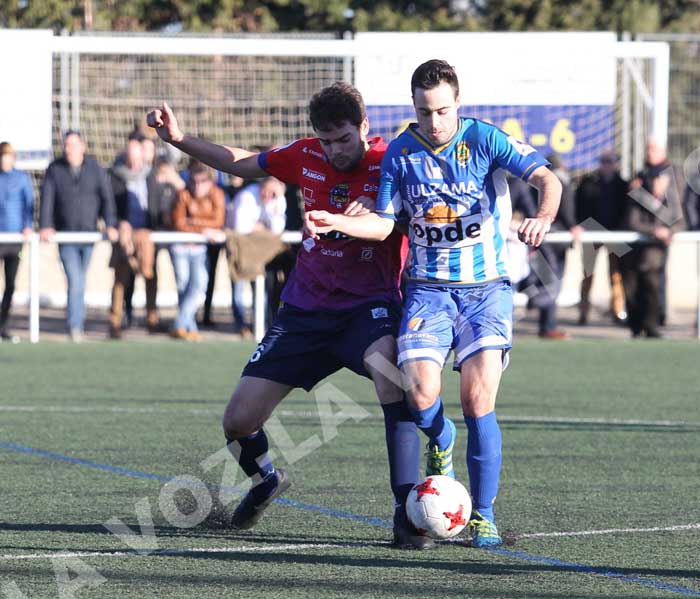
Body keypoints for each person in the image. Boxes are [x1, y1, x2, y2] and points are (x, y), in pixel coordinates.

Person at [147, 82, 430, 550]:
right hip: (304, 310)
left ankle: (407, 511)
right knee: (238, 420)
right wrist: (179, 140)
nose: (335, 150)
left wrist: (359, 215)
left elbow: (401, 220)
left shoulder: (392, 161)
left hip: (368, 307)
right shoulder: (305, 155)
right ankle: (265, 480)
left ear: (364, 127)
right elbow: (242, 161)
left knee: (391, 375)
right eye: (326, 141)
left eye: (344, 139)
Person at [306, 60, 561, 548]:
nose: (434, 121)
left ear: (457, 102)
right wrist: (338, 221)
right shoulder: (400, 154)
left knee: (477, 398)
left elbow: (548, 180)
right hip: (428, 290)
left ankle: (483, 515)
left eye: (443, 111)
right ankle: (441, 438)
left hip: (486, 290)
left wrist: (544, 217)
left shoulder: (485, 139)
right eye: (425, 112)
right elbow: (384, 222)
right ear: (414, 107)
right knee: (421, 395)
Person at [39, 131, 117, 342]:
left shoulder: (95, 169)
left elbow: (106, 199)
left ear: (82, 147)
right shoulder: (55, 169)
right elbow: (47, 199)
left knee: (80, 280)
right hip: (66, 236)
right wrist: (46, 225)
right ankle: (75, 326)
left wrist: (110, 224)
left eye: (73, 145)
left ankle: (75, 322)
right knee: (76, 280)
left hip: (89, 236)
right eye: (66, 145)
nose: (68, 149)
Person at [108, 134, 171, 339]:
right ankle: (115, 321)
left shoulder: (151, 175)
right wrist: (117, 223)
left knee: (150, 275)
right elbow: (110, 204)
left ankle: (152, 319)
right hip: (125, 234)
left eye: (138, 157)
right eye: (132, 156)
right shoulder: (116, 176)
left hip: (148, 234)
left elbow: (159, 203)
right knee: (121, 279)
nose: (135, 161)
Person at [622, 138, 684, 338]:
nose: (650, 153)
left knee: (652, 283)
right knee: (632, 285)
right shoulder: (640, 177)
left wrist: (668, 231)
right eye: (648, 149)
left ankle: (652, 325)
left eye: (654, 149)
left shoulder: (674, 176)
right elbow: (632, 219)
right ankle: (636, 327)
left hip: (656, 246)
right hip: (637, 243)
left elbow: (678, 218)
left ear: (664, 151)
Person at [169, 161, 225, 341]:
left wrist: (193, 223)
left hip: (199, 249)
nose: (197, 186)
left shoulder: (217, 194)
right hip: (181, 247)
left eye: (202, 182)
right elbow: (179, 223)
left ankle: (179, 324)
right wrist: (203, 230)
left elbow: (218, 221)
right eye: (194, 181)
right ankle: (189, 327)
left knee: (199, 286)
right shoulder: (182, 194)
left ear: (209, 182)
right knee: (184, 286)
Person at [227, 176, 287, 337]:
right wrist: (262, 228)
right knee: (238, 286)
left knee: (260, 289)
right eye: (267, 191)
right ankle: (241, 325)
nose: (268, 196)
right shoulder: (246, 196)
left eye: (273, 193)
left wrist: (276, 204)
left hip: (260, 252)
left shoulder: (277, 199)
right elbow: (241, 228)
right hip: (240, 249)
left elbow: (277, 229)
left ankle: (258, 324)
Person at [574, 150, 628, 325]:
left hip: (615, 234)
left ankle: (618, 311)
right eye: (604, 161)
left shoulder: (623, 185)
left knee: (616, 275)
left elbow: (626, 210)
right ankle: (584, 310)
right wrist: (581, 225)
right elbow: (579, 206)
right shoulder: (588, 183)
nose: (607, 165)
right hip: (592, 233)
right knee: (588, 273)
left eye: (610, 161)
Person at [0, 142, 34, 343]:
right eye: (2, 156)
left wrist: (27, 226)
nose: (5, 160)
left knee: (11, 284)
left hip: (14, 241)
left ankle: (3, 324)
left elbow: (29, 205)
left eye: (8, 156)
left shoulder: (21, 178)